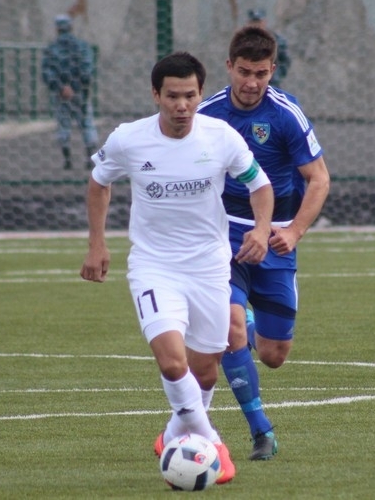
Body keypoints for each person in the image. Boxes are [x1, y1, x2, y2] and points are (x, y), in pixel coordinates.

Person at [80, 52, 275, 485]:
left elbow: (259, 184)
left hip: (209, 268)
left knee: (204, 371)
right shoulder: (129, 139)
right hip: (154, 267)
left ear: (201, 94)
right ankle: (214, 445)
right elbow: (99, 182)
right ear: (156, 95)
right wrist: (97, 243)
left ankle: (173, 435)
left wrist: (262, 230)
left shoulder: (220, 137)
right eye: (172, 96)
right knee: (172, 363)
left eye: (190, 95)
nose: (182, 105)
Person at [198, 26, 330, 461]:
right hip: (224, 236)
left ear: (273, 69)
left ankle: (252, 316)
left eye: (261, 73)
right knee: (229, 327)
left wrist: (292, 232)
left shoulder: (286, 114)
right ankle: (262, 432)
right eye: (244, 72)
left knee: (273, 354)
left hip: (275, 235)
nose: (252, 82)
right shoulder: (208, 114)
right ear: (229, 67)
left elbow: (318, 179)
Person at [41, 14, 99, 170]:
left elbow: (47, 71)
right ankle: (89, 158)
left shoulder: (52, 49)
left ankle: (67, 160)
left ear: (57, 29)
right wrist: (77, 86)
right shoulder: (82, 46)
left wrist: (61, 87)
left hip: (61, 94)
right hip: (80, 92)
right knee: (86, 124)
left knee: (63, 125)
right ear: (71, 27)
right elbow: (87, 69)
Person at [247, 8, 291, 88]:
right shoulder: (242, 41)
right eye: (254, 22)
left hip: (270, 82)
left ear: (264, 22)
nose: (256, 25)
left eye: (259, 22)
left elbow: (285, 60)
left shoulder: (276, 40)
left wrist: (277, 75)